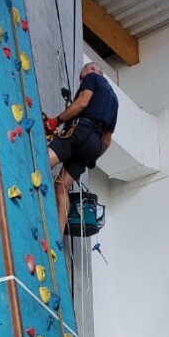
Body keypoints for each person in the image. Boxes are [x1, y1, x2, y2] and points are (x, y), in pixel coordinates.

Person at [46, 62, 118, 237]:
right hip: (94, 146)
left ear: (92, 71)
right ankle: (58, 234)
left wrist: (56, 121)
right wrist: (92, 158)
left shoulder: (92, 78)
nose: (84, 74)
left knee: (44, 161)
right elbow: (107, 141)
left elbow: (82, 103)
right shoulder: (114, 101)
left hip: (81, 130)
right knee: (62, 185)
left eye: (85, 70)